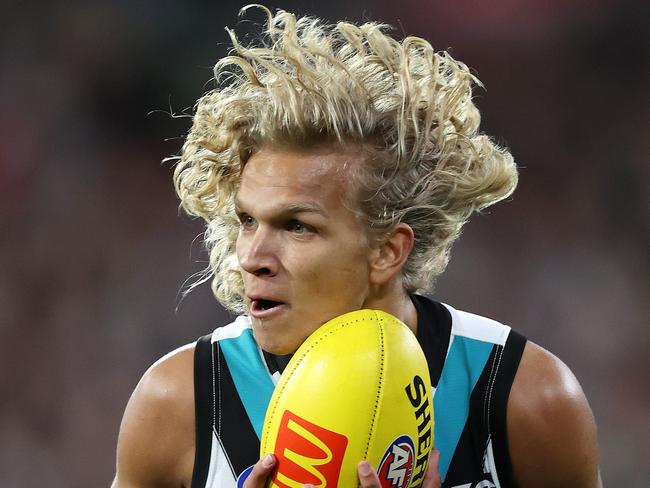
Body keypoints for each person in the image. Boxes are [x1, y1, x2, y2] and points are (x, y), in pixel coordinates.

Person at [112, 6, 601, 488]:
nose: (252, 257)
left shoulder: (525, 396)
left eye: (297, 226)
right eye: (247, 220)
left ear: (388, 251)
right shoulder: (180, 401)